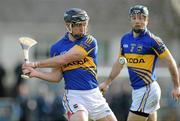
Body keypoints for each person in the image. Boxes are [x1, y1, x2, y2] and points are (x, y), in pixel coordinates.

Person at [22, 8, 117, 121]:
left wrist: (35, 64)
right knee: (80, 118)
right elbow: (56, 76)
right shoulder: (57, 48)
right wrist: (35, 73)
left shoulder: (89, 41)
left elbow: (65, 58)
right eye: (78, 25)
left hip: (95, 95)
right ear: (68, 25)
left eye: (84, 24)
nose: (83, 29)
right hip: (74, 96)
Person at [99, 5, 180, 121]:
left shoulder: (153, 41)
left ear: (147, 20)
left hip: (147, 89)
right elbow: (120, 63)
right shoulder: (125, 39)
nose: (137, 21)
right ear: (130, 20)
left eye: (141, 18)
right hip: (138, 91)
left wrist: (176, 86)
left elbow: (171, 61)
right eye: (134, 18)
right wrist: (107, 82)